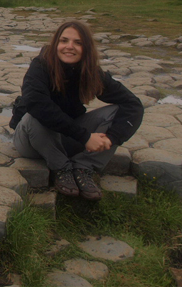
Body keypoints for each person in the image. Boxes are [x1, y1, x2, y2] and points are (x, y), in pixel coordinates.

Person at [9, 21, 144, 201]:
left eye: (78, 43)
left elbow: (132, 104)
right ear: (56, 43)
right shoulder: (40, 66)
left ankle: (83, 167)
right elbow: (37, 104)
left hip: (66, 138)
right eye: (64, 41)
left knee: (116, 111)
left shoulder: (91, 72)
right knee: (34, 115)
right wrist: (85, 137)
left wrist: (112, 138)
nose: (69, 47)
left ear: (86, 48)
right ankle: (61, 168)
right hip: (31, 140)